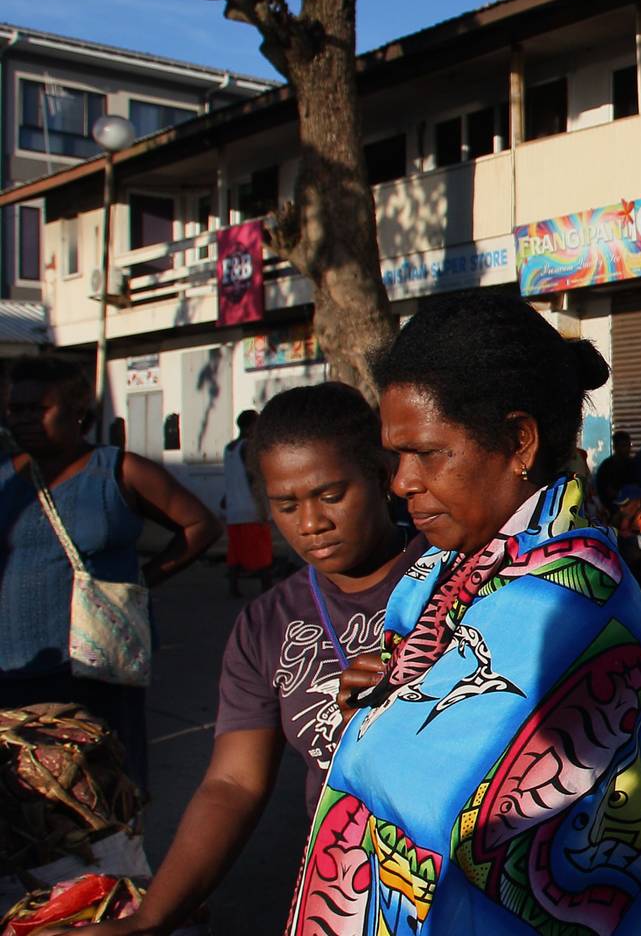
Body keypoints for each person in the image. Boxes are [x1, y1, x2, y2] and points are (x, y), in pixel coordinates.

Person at [295, 289, 641, 934]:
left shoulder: (564, 595)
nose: (401, 481)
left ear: (519, 441)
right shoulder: (454, 562)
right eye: (395, 455)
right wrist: (385, 684)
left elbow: (435, 789)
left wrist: (379, 716)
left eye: (427, 452)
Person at [83, 383, 421, 936]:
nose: (311, 523)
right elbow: (233, 785)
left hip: (465, 879)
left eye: (331, 495)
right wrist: (151, 919)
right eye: (286, 505)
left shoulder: (457, 580)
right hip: (346, 892)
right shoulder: (265, 624)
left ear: (382, 474)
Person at [0, 357, 220, 785]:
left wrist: (142, 581)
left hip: (99, 664)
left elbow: (201, 525)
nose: (22, 420)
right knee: (25, 797)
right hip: (14, 667)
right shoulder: (4, 479)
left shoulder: (120, 470)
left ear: (78, 411)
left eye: (37, 409)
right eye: (15, 409)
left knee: (107, 785)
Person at [222, 409, 274, 598]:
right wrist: (263, 508)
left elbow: (230, 478)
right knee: (262, 552)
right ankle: (267, 589)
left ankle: (233, 587)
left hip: (234, 510)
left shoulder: (229, 448)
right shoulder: (249, 447)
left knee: (235, 552)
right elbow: (254, 478)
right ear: (250, 426)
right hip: (250, 508)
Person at [594, 429, 637, 511]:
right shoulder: (606, 467)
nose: (628, 449)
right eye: (623, 445)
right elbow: (602, 491)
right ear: (615, 447)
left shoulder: (633, 465)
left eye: (628, 445)